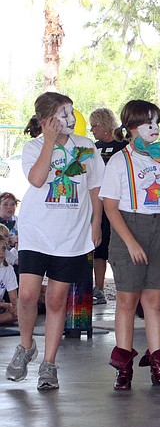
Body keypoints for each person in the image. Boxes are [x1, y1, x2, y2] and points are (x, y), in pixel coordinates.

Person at [5, 92, 104, 390]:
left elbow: (95, 186)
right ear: (47, 120)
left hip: (71, 236)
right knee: (26, 295)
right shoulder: (33, 147)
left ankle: (49, 363)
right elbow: (37, 180)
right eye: (63, 114)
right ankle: (25, 347)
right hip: (37, 233)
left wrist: (96, 222)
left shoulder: (86, 147)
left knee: (57, 299)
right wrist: (49, 141)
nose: (70, 119)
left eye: (72, 112)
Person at [98, 100, 160, 390]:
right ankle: (124, 369)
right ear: (132, 128)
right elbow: (110, 207)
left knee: (154, 300)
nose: (155, 129)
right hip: (128, 228)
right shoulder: (120, 161)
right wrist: (131, 242)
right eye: (149, 124)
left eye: (157, 123)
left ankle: (159, 365)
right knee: (126, 301)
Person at [89, 108, 129, 305]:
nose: (92, 130)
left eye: (94, 126)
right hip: (98, 204)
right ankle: (99, 288)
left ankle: (126, 286)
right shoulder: (93, 148)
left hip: (120, 204)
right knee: (99, 248)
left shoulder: (123, 145)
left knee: (119, 246)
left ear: (104, 125)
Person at [0, 237, 17, 325]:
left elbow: (13, 298)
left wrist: (15, 308)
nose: (1, 252)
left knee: (19, 312)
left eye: (3, 248)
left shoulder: (8, 269)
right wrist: (5, 305)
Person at [0, 192, 19, 267]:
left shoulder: (20, 222)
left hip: (15, 257)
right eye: (5, 204)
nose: (9, 207)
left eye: (12, 204)